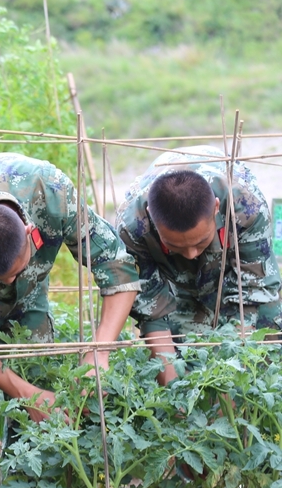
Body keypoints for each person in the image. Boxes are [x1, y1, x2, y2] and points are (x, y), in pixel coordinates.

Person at [0, 153, 140, 488]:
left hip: (29, 296)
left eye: (14, 272)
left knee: (39, 390)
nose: (6, 284)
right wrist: (25, 394)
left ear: (32, 233)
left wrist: (99, 352)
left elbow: (118, 271)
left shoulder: (53, 194)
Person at [115, 145, 282, 385]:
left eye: (200, 241)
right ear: (152, 217)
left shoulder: (245, 205)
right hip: (177, 280)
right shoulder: (132, 227)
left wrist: (229, 385)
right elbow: (152, 309)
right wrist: (176, 394)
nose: (191, 254)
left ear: (215, 208)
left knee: (266, 339)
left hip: (235, 269)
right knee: (186, 356)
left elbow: (254, 292)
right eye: (176, 245)